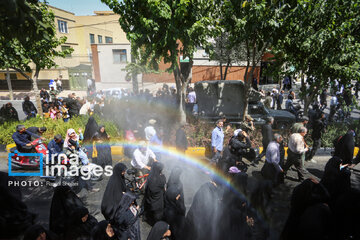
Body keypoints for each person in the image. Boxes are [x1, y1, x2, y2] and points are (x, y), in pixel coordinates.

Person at [164, 167, 185, 240]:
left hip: (169, 206)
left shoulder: (170, 179)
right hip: (174, 209)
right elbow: (180, 202)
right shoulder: (179, 184)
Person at [144, 162, 167, 226]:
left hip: (150, 200)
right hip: (158, 202)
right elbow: (164, 189)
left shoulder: (150, 177)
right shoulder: (162, 178)